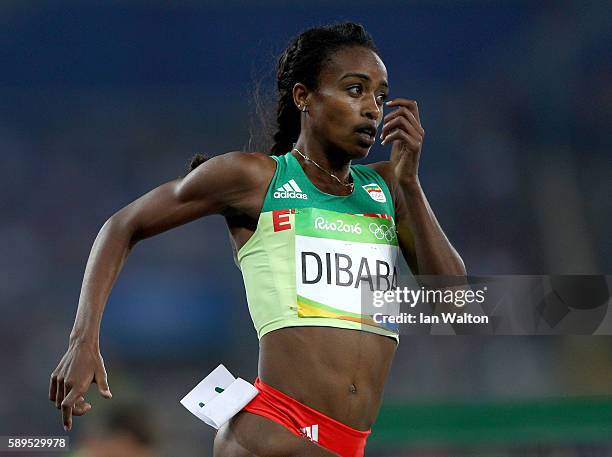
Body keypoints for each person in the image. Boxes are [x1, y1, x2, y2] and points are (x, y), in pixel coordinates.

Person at [49, 22, 465, 457]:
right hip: (274, 432)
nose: (372, 109)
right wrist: (83, 338)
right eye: (355, 90)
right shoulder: (256, 179)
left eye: (380, 96)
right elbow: (122, 225)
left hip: (347, 445)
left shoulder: (388, 189)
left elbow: (456, 310)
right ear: (303, 96)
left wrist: (411, 185)